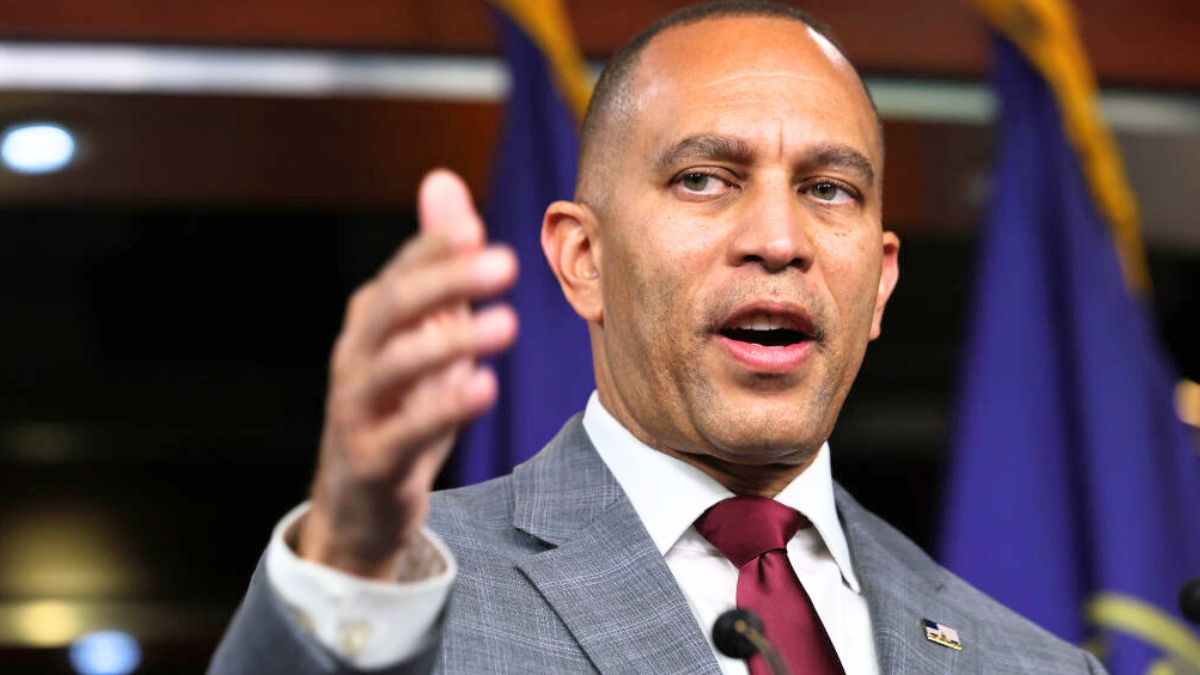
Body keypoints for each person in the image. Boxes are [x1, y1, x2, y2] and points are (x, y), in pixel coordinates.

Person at [211, 2, 1106, 673]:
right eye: (705, 178)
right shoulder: (410, 599)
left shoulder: (1032, 661)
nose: (779, 239)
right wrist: (344, 580)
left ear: (880, 282)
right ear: (583, 258)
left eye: (829, 188)